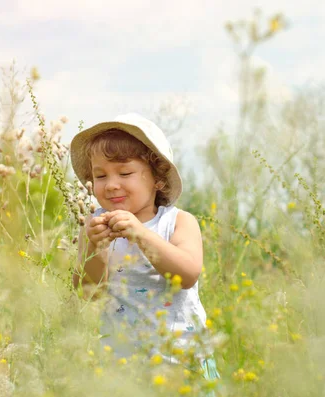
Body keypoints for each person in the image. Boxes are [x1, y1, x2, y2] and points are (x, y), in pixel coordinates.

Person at [70, 113, 220, 391]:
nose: (111, 183)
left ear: (158, 180)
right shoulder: (93, 227)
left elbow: (187, 274)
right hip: (123, 365)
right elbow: (89, 292)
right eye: (100, 175)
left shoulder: (177, 222)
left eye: (125, 173)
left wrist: (141, 235)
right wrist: (95, 247)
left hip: (185, 360)